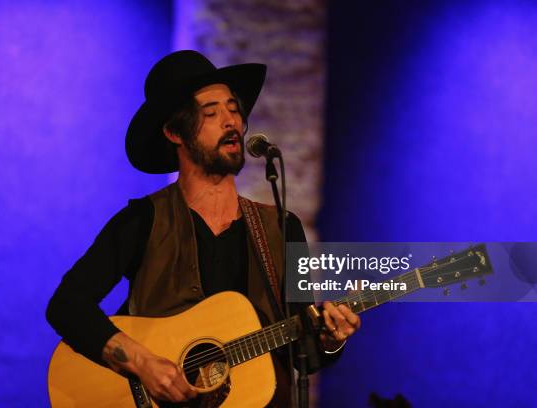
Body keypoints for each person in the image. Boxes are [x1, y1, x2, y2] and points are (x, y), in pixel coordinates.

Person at [46, 50, 361, 406]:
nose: (231, 122)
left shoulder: (281, 227)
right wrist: (143, 363)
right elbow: (66, 306)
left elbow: (302, 351)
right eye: (211, 113)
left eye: (233, 109)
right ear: (174, 132)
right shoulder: (143, 221)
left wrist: (331, 338)